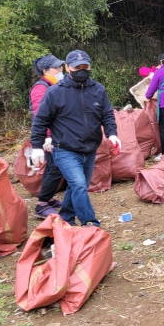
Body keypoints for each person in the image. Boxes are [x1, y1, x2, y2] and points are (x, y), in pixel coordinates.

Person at [30, 50, 120, 227]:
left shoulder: (98, 90)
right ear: (67, 68)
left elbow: (107, 115)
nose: (81, 70)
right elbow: (40, 120)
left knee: (76, 187)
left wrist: (112, 134)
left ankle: (66, 219)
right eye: (77, 67)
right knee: (79, 185)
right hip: (65, 149)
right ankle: (90, 222)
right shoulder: (55, 92)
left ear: (90, 67)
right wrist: (37, 146)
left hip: (90, 149)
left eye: (85, 66)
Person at [29, 54, 66, 218]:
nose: (60, 70)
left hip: (56, 133)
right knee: (57, 166)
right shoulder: (40, 88)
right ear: (45, 70)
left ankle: (48, 199)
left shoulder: (55, 85)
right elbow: (40, 115)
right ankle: (42, 204)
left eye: (61, 67)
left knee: (52, 167)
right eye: (56, 67)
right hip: (47, 136)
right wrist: (47, 137)